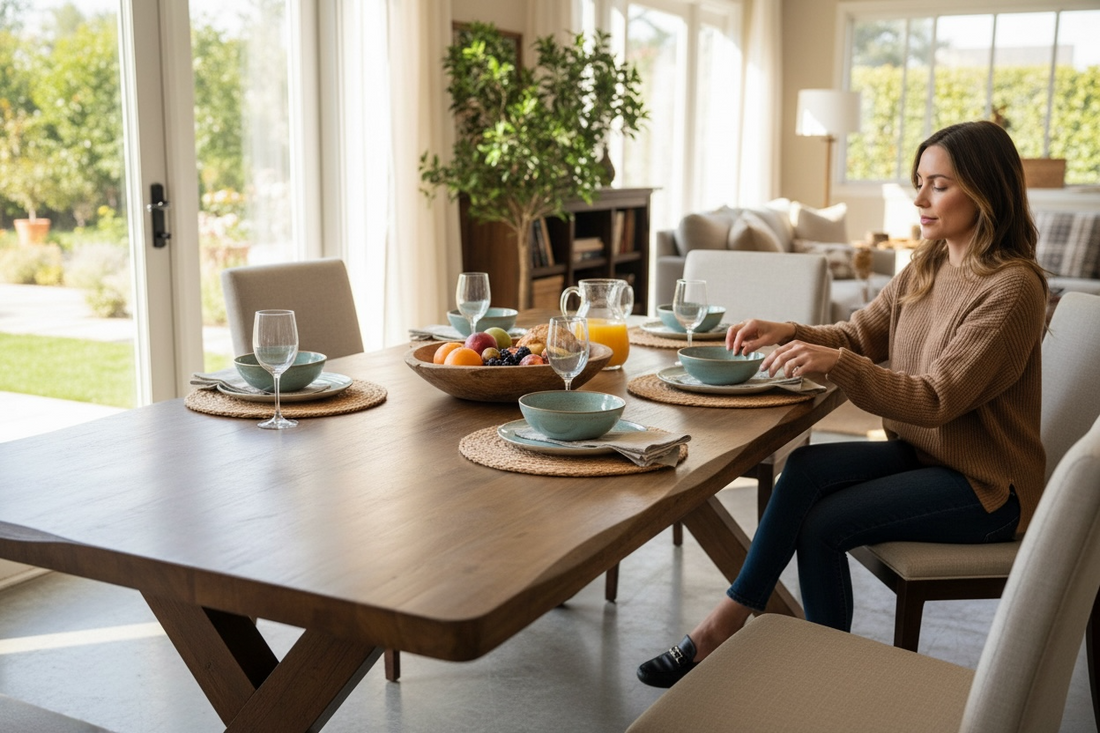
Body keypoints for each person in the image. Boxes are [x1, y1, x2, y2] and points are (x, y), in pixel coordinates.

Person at [637, 120, 1050, 689]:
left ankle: (818, 675)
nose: (920, 198)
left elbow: (937, 398)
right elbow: (861, 335)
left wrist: (841, 365)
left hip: (986, 485)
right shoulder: (928, 263)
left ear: (985, 192)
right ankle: (732, 623)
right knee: (805, 469)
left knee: (825, 524)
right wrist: (790, 331)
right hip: (928, 456)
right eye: (919, 181)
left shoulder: (1011, 289)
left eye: (939, 185)